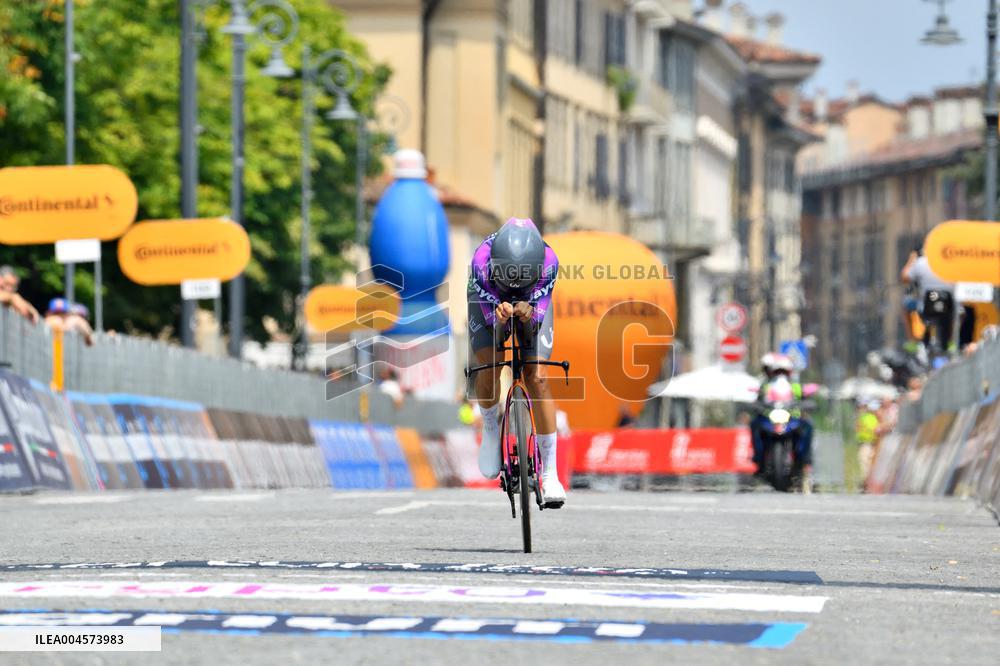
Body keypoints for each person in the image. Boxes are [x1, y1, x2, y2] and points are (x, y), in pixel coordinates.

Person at [467, 217, 565, 508]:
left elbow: (535, 321)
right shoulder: (480, 263)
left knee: (538, 377)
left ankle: (550, 473)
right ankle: (490, 429)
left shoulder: (550, 263)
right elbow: (494, 325)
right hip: (489, 297)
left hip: (532, 298)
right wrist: (499, 318)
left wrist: (529, 312)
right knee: (490, 364)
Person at [751, 353, 814, 486]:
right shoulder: (766, 386)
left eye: (783, 371)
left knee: (808, 425)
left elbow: (805, 398)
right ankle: (758, 458)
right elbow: (758, 400)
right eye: (778, 371)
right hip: (770, 419)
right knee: (754, 425)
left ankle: (805, 459)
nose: (781, 374)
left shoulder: (795, 386)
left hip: (792, 419)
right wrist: (757, 407)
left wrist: (805, 404)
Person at [901, 250, 961, 353]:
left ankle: (912, 340)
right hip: (948, 306)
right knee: (958, 310)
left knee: (906, 305)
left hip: (926, 306)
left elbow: (905, 277)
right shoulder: (952, 262)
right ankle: (951, 340)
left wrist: (911, 259)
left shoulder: (920, 263)